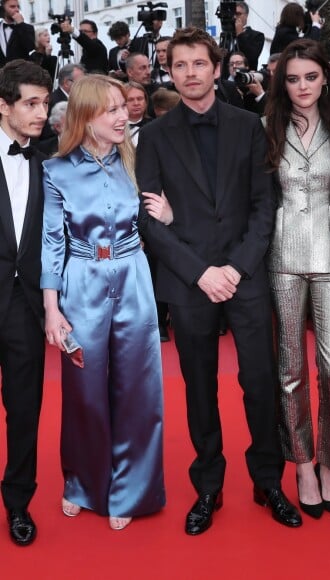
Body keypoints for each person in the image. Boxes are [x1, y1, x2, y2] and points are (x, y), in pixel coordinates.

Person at [136, 26, 301, 536]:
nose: (189, 74)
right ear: (171, 71)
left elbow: (263, 206)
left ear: (216, 65)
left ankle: (267, 479)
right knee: (199, 386)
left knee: (260, 382)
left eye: (198, 64)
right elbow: (145, 217)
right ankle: (209, 484)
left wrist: (235, 267)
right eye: (179, 66)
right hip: (189, 283)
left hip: (243, 276)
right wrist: (200, 271)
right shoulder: (154, 135)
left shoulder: (250, 126)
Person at [41, 75, 165, 531]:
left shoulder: (137, 161)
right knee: (84, 391)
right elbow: (52, 244)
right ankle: (83, 484)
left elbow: (160, 217)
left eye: (124, 107)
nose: (123, 115)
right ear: (86, 118)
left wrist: (167, 217)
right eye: (110, 109)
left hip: (133, 277)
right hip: (81, 280)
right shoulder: (56, 172)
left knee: (138, 388)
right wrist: (52, 309)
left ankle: (131, 489)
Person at [264, 38, 330, 519]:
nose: (302, 86)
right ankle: (301, 462)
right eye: (293, 78)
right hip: (281, 257)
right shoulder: (265, 127)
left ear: (326, 79)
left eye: (311, 77)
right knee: (290, 371)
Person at [0, 59, 51, 547]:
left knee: (24, 408)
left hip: (26, 304)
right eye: (31, 104)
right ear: (3, 106)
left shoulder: (48, 159)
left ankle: (18, 501)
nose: (42, 113)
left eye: (45, 102)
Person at [0, 0, 35, 67]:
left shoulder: (28, 28)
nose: (17, 10)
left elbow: (30, 46)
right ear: (3, 8)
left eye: (18, 7)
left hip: (21, 74)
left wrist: (21, 25)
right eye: (12, 7)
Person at [234, 1, 264, 71]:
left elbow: (251, 57)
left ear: (246, 15)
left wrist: (240, 34)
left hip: (246, 76)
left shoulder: (257, 36)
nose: (235, 17)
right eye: (233, 14)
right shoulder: (227, 36)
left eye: (238, 14)